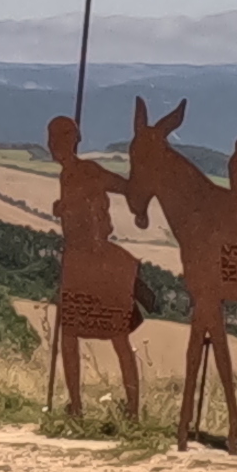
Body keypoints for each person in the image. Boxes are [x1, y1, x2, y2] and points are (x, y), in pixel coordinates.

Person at [41, 109, 146, 422]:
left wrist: (75, 203)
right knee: (70, 335)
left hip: (95, 256)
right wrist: (65, 207)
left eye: (60, 139)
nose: (55, 146)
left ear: (72, 141)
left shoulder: (89, 171)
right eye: (53, 139)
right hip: (76, 257)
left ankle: (130, 410)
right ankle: (77, 406)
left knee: (115, 335)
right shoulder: (67, 174)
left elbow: (123, 187)